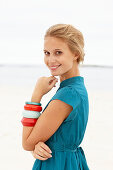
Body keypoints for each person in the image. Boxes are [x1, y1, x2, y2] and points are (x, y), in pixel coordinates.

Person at [21, 24, 90, 169]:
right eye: (47, 53)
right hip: (69, 160)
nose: (51, 60)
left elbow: (27, 143)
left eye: (58, 52)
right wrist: (38, 145)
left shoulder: (68, 94)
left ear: (75, 53)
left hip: (57, 164)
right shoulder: (77, 87)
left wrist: (36, 95)